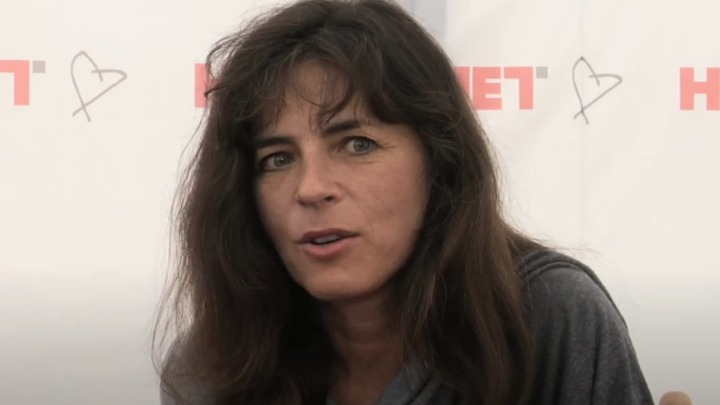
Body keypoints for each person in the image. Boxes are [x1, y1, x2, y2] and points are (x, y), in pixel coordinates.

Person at [153, 0, 655, 404]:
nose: (310, 188)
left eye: (357, 144)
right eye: (277, 159)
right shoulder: (208, 367)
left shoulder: (552, 314)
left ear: (439, 160)